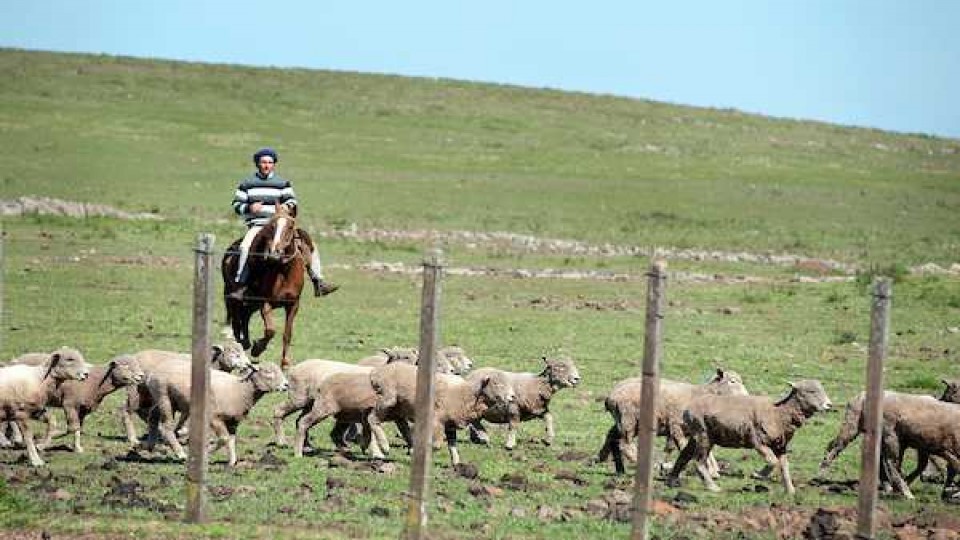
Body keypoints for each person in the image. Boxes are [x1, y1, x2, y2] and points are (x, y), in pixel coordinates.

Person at [228, 147, 339, 300]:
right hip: (259, 225)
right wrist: (249, 207)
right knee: (245, 246)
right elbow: (236, 204)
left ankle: (318, 280)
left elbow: (292, 200)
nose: (267, 165)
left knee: (308, 244)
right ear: (257, 164)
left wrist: (286, 207)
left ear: (274, 164)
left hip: (282, 224)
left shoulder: (282, 183)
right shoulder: (247, 184)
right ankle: (240, 284)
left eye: (270, 162)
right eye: (263, 162)